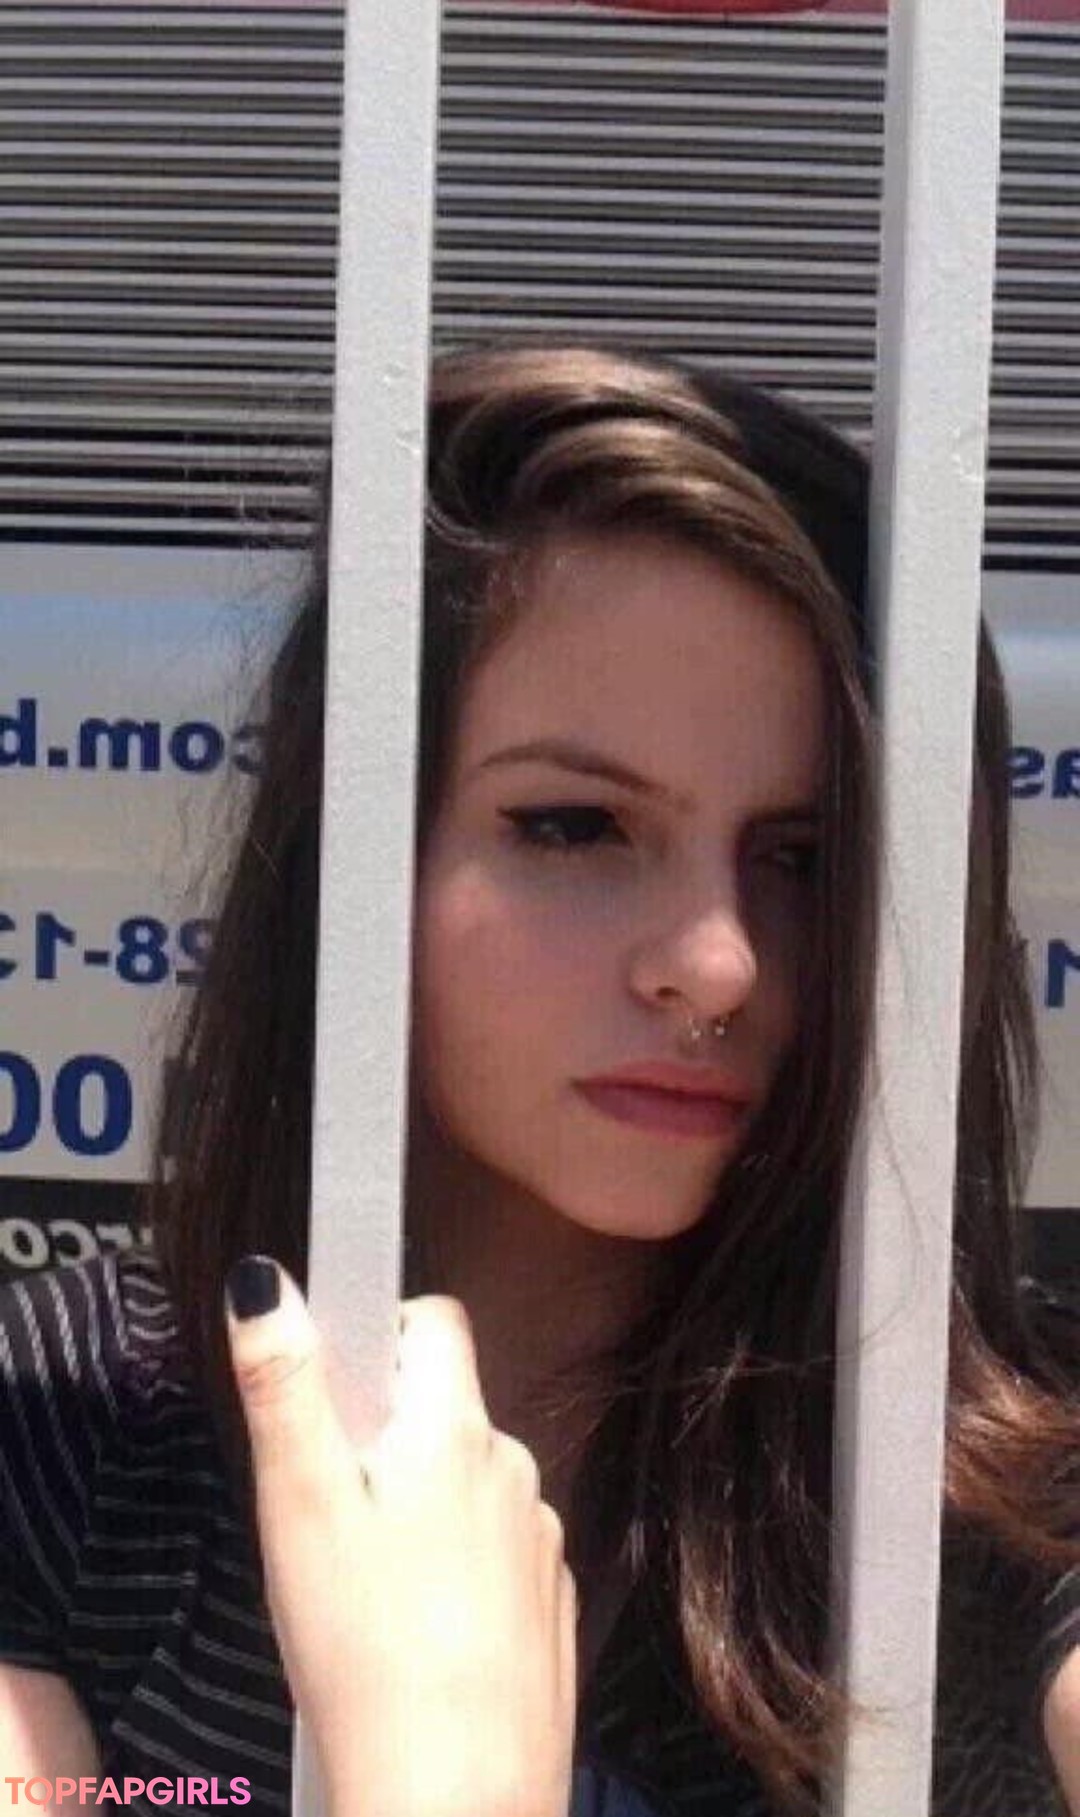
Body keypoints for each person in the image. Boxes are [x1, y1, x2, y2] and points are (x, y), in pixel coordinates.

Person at [1, 343, 1078, 1817]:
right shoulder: (68, 1415)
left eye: (804, 859)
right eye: (575, 826)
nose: (716, 963)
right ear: (363, 853)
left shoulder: (1013, 1483)